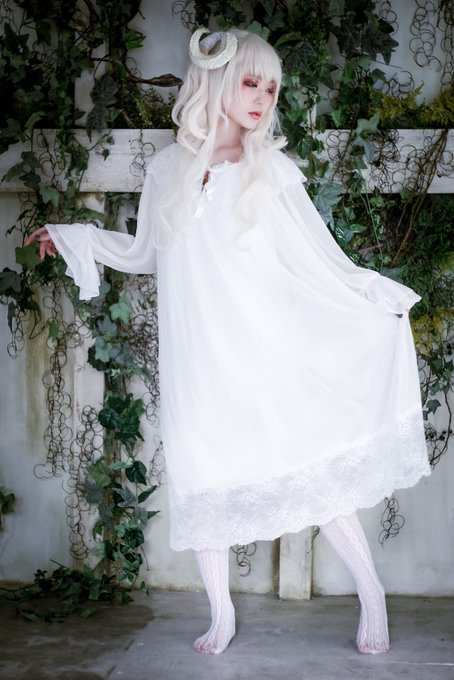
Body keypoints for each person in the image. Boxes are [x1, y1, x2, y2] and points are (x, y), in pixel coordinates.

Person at [26, 27, 431, 656]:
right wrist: (76, 237)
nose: (263, 98)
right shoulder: (168, 170)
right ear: (216, 82)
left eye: (271, 88)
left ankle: (372, 594)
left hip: (262, 350)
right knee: (203, 478)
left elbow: (318, 257)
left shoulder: (273, 171)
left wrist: (368, 293)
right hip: (197, 358)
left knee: (313, 475)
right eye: (251, 83)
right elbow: (145, 253)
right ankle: (221, 615)